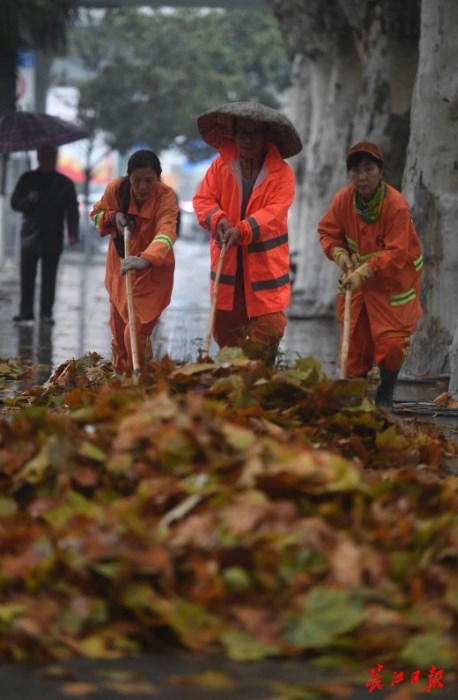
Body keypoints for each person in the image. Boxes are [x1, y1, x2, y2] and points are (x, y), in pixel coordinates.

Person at [192, 101, 302, 365]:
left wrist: (242, 230)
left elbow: (274, 213)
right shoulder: (220, 167)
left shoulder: (282, 173)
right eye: (243, 133)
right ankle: (232, 386)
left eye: (254, 134)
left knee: (269, 329)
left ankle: (262, 379)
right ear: (234, 134)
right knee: (226, 335)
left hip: (266, 271)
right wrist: (216, 220)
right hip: (227, 267)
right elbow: (203, 200)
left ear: (266, 138)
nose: (247, 140)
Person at [318, 141, 423, 410]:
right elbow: (328, 232)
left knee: (390, 345)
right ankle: (355, 400)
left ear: (380, 171)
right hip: (358, 288)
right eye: (355, 170)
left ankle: (385, 398)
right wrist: (338, 253)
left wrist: (366, 270)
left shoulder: (396, 206)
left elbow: (397, 253)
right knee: (354, 346)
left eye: (369, 169)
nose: (362, 176)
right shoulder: (343, 200)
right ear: (349, 174)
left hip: (392, 286)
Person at [90, 149, 178, 374]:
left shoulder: (166, 198)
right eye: (136, 180)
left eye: (149, 181)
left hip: (152, 275)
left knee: (136, 332)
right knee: (119, 336)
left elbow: (166, 233)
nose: (142, 187)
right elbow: (96, 214)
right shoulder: (116, 190)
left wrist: (146, 259)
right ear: (128, 177)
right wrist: (113, 216)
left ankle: (140, 377)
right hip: (120, 271)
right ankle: (122, 380)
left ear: (158, 178)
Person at [10, 145, 79, 325]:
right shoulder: (27, 179)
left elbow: (73, 210)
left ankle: (46, 313)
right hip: (30, 236)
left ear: (55, 159)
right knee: (27, 277)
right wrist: (28, 200)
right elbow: (14, 203)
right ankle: (26, 313)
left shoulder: (64, 183)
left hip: (53, 236)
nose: (48, 160)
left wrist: (72, 233)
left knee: (49, 278)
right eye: (45, 157)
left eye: (51, 157)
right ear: (39, 158)